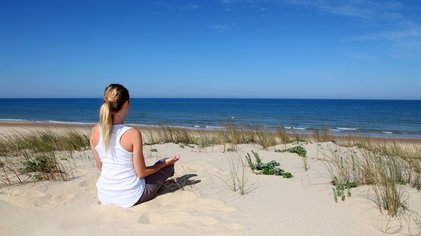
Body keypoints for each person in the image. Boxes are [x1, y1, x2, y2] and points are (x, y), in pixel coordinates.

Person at [90, 83, 180, 208]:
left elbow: (101, 167)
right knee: (165, 164)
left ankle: (159, 182)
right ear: (126, 104)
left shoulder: (95, 131)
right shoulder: (132, 134)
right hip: (131, 196)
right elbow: (141, 173)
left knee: (156, 168)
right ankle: (160, 185)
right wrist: (165, 164)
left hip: (104, 195)